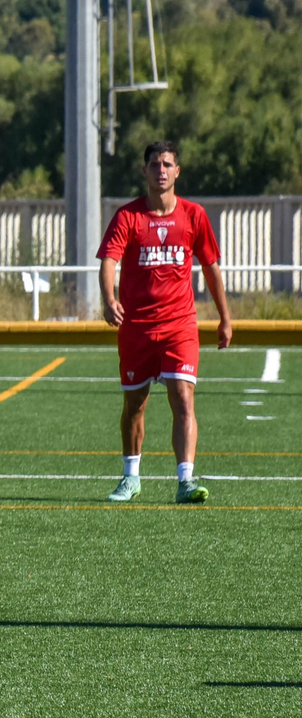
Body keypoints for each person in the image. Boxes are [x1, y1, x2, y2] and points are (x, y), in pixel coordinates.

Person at [99, 140, 232, 503]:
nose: (161, 170)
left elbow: (211, 268)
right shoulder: (128, 217)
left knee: (183, 398)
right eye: (155, 164)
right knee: (134, 405)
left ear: (178, 171)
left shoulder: (194, 215)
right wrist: (109, 298)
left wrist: (225, 317)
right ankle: (131, 477)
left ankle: (185, 480)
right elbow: (109, 261)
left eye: (167, 164)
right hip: (137, 327)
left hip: (180, 325)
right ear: (144, 171)